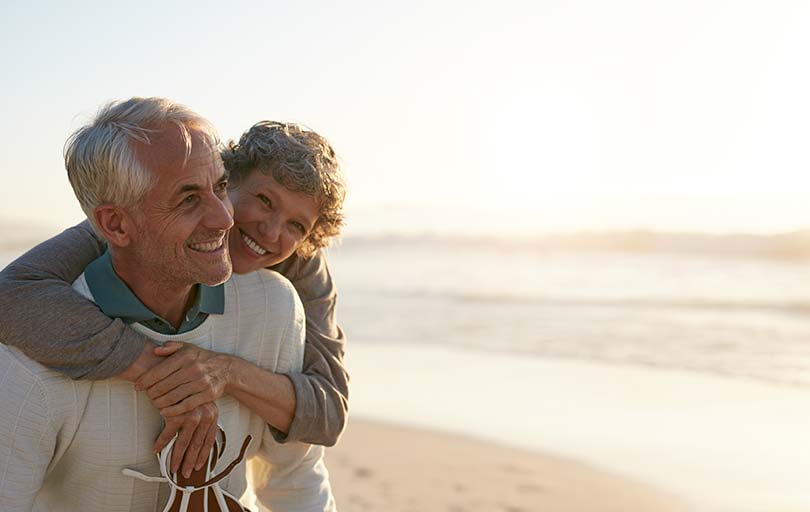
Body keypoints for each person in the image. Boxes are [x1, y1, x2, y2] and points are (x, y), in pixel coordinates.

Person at [0, 97, 335, 511]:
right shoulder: (31, 348)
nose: (224, 219)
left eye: (219, 189)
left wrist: (224, 373)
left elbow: (305, 459)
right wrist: (166, 376)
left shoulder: (279, 304)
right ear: (116, 224)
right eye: (189, 198)